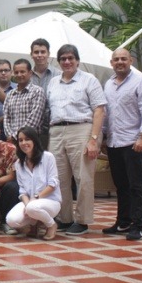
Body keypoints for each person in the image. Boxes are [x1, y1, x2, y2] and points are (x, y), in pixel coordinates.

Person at [47, 44, 106, 235]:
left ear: (77, 60)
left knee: (83, 178)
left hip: (81, 129)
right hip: (56, 131)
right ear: (59, 61)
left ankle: (82, 220)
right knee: (59, 178)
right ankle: (65, 218)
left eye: (70, 58)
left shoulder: (89, 80)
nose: (67, 62)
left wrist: (93, 140)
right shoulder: (53, 82)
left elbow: (99, 110)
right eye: (63, 58)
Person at [102, 48, 142, 241]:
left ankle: (138, 225)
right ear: (111, 63)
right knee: (120, 185)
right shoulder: (108, 84)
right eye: (116, 59)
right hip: (114, 142)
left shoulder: (141, 82)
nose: (120, 62)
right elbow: (106, 114)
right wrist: (104, 137)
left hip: (133, 142)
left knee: (136, 186)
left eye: (124, 58)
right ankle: (123, 222)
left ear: (131, 60)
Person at [5, 126, 61, 240]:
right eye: (20, 140)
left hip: (51, 201)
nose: (24, 143)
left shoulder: (47, 157)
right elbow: (22, 191)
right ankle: (34, 224)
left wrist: (35, 198)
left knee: (32, 207)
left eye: (27, 139)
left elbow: (53, 184)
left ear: (34, 140)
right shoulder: (19, 164)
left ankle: (51, 225)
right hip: (31, 202)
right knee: (11, 220)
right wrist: (27, 205)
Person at [3, 59, 46, 141]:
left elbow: (33, 120)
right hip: (12, 141)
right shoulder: (10, 94)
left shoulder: (37, 92)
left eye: (22, 72)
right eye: (16, 72)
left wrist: (16, 137)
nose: (19, 75)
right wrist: (10, 136)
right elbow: (6, 119)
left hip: (31, 140)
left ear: (30, 73)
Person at [30, 38, 61, 148]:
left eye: (43, 52)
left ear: (48, 54)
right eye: (36, 52)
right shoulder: (26, 76)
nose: (39, 55)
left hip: (53, 125)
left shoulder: (59, 75)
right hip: (31, 126)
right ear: (31, 54)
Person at [0, 59, 16, 139]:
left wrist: (1, 118)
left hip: (13, 129)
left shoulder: (19, 88)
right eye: (0, 71)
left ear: (11, 72)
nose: (3, 73)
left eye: (6, 70)